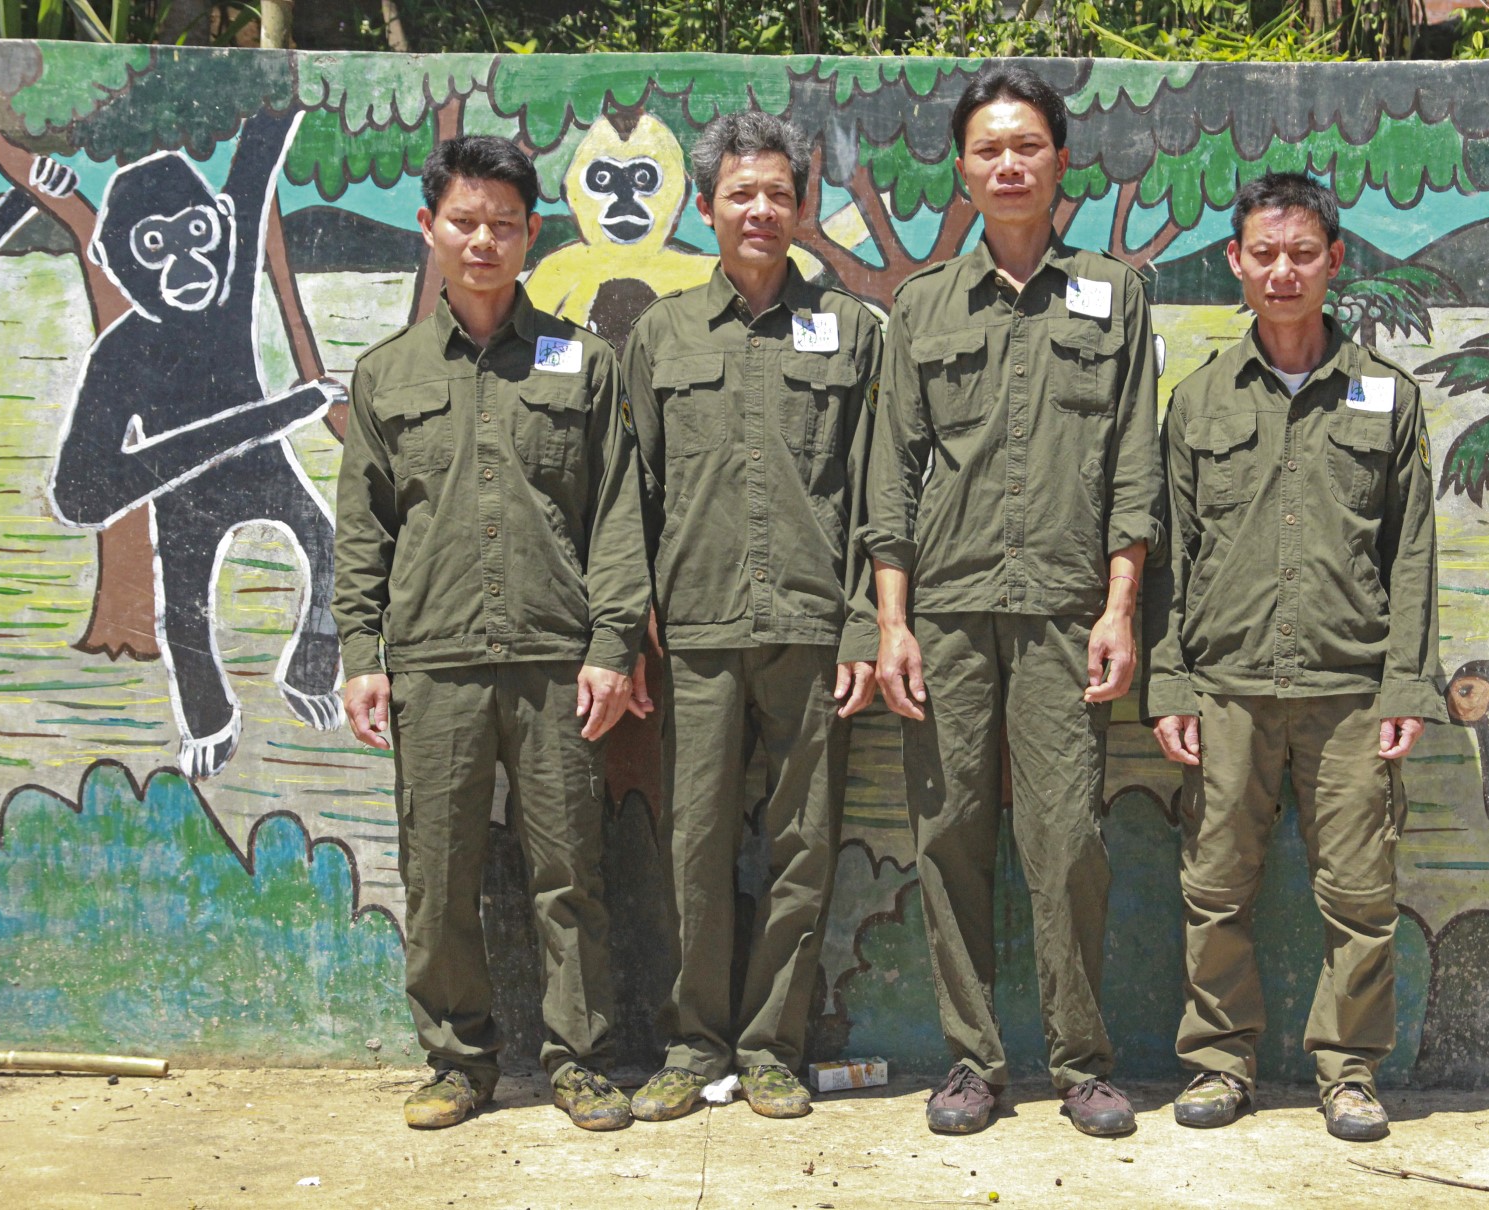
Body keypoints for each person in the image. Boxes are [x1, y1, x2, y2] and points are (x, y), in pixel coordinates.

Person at [865, 65, 1164, 1138]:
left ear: (1059, 162)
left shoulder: (1114, 295)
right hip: (944, 610)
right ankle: (971, 1060)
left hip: (1062, 613)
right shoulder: (923, 306)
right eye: (988, 149)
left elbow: (1134, 461)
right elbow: (889, 475)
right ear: (963, 168)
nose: (1007, 164)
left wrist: (1121, 604)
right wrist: (891, 623)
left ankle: (1082, 1061)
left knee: (1067, 838)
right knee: (947, 833)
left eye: (1026, 146)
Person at [332, 135, 651, 1132]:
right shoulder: (385, 375)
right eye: (464, 221)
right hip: (433, 664)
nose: (483, 239)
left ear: (530, 236)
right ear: (430, 230)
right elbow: (363, 528)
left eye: (503, 223)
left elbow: (616, 516)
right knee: (440, 873)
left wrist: (612, 645)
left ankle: (581, 1059)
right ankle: (458, 1061)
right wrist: (359, 656)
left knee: (570, 872)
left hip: (558, 662)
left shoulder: (582, 364)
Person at [1143, 171, 1444, 1142]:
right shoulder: (1195, 403)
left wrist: (1405, 680)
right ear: (1235, 262)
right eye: (1263, 254)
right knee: (1214, 887)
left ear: (1334, 262)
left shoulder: (1386, 399)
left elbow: (1412, 553)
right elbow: (1172, 556)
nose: (1282, 272)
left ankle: (1348, 1072)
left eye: (1302, 253)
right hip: (1226, 690)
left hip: (1350, 690)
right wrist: (1172, 681)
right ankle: (1220, 1063)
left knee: (1360, 896)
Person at [618, 111, 883, 1123]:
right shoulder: (664, 334)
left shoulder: (853, 333)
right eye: (741, 193)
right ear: (708, 206)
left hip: (812, 630)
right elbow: (629, 489)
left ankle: (773, 1045)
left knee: (803, 841)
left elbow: (877, 497)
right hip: (693, 631)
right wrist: (629, 615)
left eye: (778, 193)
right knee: (695, 842)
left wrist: (864, 622)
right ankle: (694, 1044)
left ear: (802, 206)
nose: (761, 210)